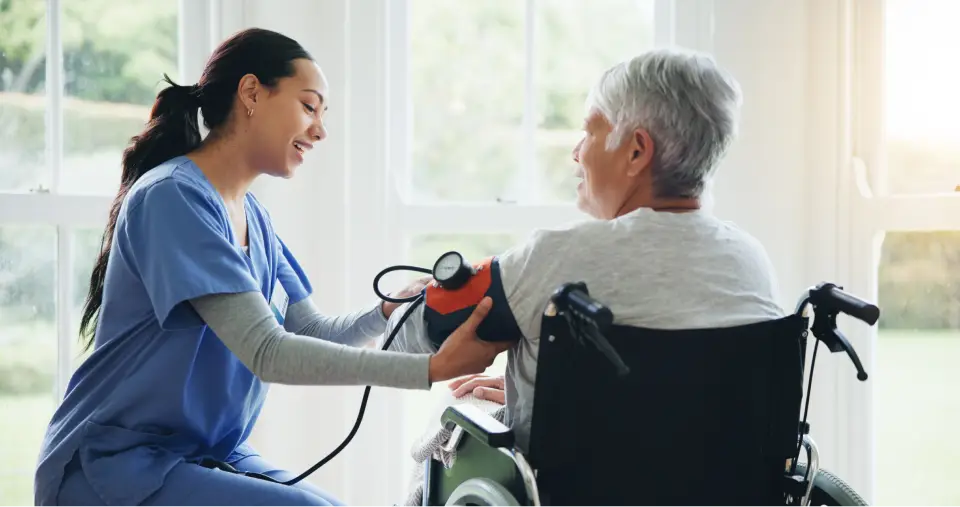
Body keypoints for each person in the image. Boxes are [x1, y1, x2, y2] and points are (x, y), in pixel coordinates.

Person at [33, 28, 509, 507]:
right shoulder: (173, 196)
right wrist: (432, 369)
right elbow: (267, 351)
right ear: (252, 93)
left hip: (201, 454)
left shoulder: (253, 217)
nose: (320, 130)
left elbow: (311, 330)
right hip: (113, 463)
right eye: (309, 106)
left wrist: (385, 312)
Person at [384, 47, 786, 456]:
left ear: (636, 151)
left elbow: (407, 338)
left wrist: (400, 306)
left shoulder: (556, 262)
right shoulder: (751, 263)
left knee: (457, 411)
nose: (576, 153)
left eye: (590, 132)